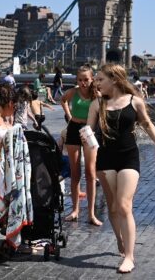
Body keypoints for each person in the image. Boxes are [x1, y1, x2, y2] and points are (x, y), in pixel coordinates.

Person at [85, 63, 155, 273]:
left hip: (128, 158)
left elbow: (147, 124)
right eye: (96, 80)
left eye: (100, 80)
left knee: (124, 205)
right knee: (113, 207)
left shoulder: (135, 101)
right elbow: (89, 131)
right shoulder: (97, 104)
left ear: (114, 80)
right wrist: (84, 136)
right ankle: (120, 239)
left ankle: (129, 257)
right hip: (105, 159)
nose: (96, 84)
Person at [60, 65, 101, 226]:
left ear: (92, 79)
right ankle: (75, 210)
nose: (83, 83)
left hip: (89, 131)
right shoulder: (73, 92)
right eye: (80, 80)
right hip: (74, 129)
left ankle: (91, 213)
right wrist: (69, 115)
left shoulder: (96, 94)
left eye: (86, 79)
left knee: (91, 173)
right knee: (75, 172)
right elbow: (63, 100)